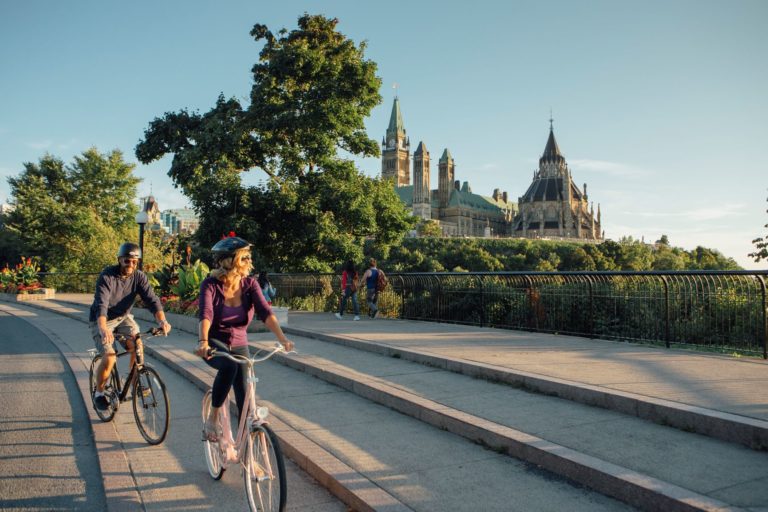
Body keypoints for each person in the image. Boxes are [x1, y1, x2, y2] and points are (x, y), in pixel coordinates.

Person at [195, 236, 294, 442]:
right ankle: (213, 417)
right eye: (244, 258)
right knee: (229, 367)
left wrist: (283, 339)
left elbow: (265, 312)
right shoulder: (210, 285)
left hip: (240, 344)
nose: (250, 261)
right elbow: (206, 314)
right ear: (229, 261)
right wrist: (203, 342)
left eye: (249, 257)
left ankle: (248, 456)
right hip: (215, 343)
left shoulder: (250, 284)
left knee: (246, 400)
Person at [90, 242, 172, 411]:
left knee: (137, 344)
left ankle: (136, 380)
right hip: (102, 320)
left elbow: (152, 300)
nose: (131, 265)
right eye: (127, 261)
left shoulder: (139, 277)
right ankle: (99, 393)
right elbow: (101, 304)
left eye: (135, 262)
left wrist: (162, 321)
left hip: (123, 318)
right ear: (120, 260)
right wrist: (104, 328)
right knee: (110, 357)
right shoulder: (107, 276)